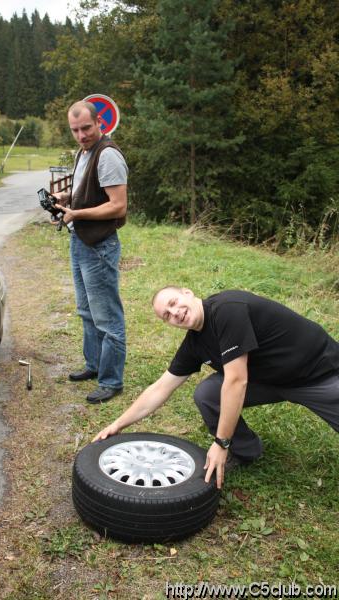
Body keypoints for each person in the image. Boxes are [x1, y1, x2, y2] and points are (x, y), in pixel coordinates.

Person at [94, 287, 339, 488]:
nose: (175, 313)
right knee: (208, 395)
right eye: (166, 315)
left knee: (228, 385)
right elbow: (160, 388)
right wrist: (118, 424)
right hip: (268, 380)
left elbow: (236, 380)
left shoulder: (227, 310)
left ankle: (230, 446)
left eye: (174, 302)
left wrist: (221, 442)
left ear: (187, 293)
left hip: (316, 374)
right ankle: (246, 451)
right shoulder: (195, 343)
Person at [51, 100, 128, 404]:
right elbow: (88, 189)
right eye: (75, 130)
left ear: (100, 124)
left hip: (99, 246)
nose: (81, 135)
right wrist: (65, 196)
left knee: (107, 316)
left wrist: (77, 214)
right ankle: (94, 365)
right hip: (80, 242)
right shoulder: (85, 153)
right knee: (86, 310)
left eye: (86, 128)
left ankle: (111, 381)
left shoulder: (107, 155)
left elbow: (117, 205)